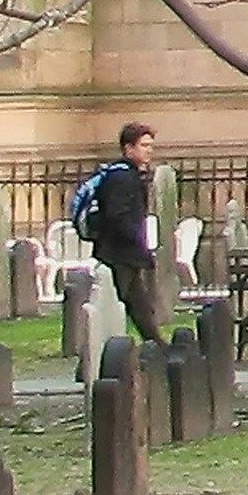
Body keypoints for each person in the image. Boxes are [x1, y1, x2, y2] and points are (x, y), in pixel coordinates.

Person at [73, 122, 161, 335]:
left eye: (150, 145)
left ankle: (158, 348)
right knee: (120, 303)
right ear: (128, 148)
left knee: (139, 306)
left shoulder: (130, 175)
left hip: (125, 252)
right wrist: (136, 240)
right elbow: (117, 215)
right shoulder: (121, 177)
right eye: (143, 145)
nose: (149, 150)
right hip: (119, 253)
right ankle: (155, 347)